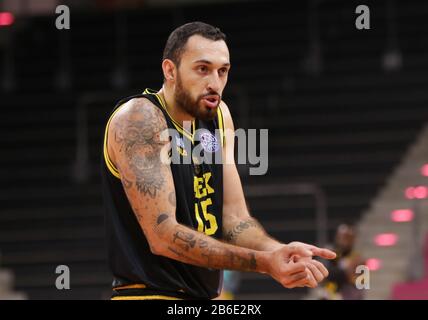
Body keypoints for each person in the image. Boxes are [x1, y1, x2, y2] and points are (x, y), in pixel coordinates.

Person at [101, 21, 336, 300]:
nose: (215, 83)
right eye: (202, 69)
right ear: (170, 70)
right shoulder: (139, 119)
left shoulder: (219, 116)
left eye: (222, 71)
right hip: (149, 294)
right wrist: (264, 263)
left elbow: (234, 219)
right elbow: (163, 236)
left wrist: (277, 252)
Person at [318, 224, 365, 300]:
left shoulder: (359, 259)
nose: (344, 240)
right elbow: (322, 279)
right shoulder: (331, 255)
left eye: (347, 237)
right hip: (331, 294)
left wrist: (349, 274)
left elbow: (363, 285)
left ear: (353, 239)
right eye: (341, 237)